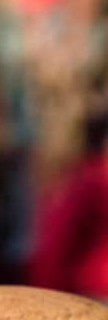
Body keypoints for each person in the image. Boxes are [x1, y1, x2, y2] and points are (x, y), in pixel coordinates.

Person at [28, 113, 108, 299]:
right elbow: (60, 238)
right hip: (93, 289)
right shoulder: (91, 181)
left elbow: (58, 239)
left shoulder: (91, 180)